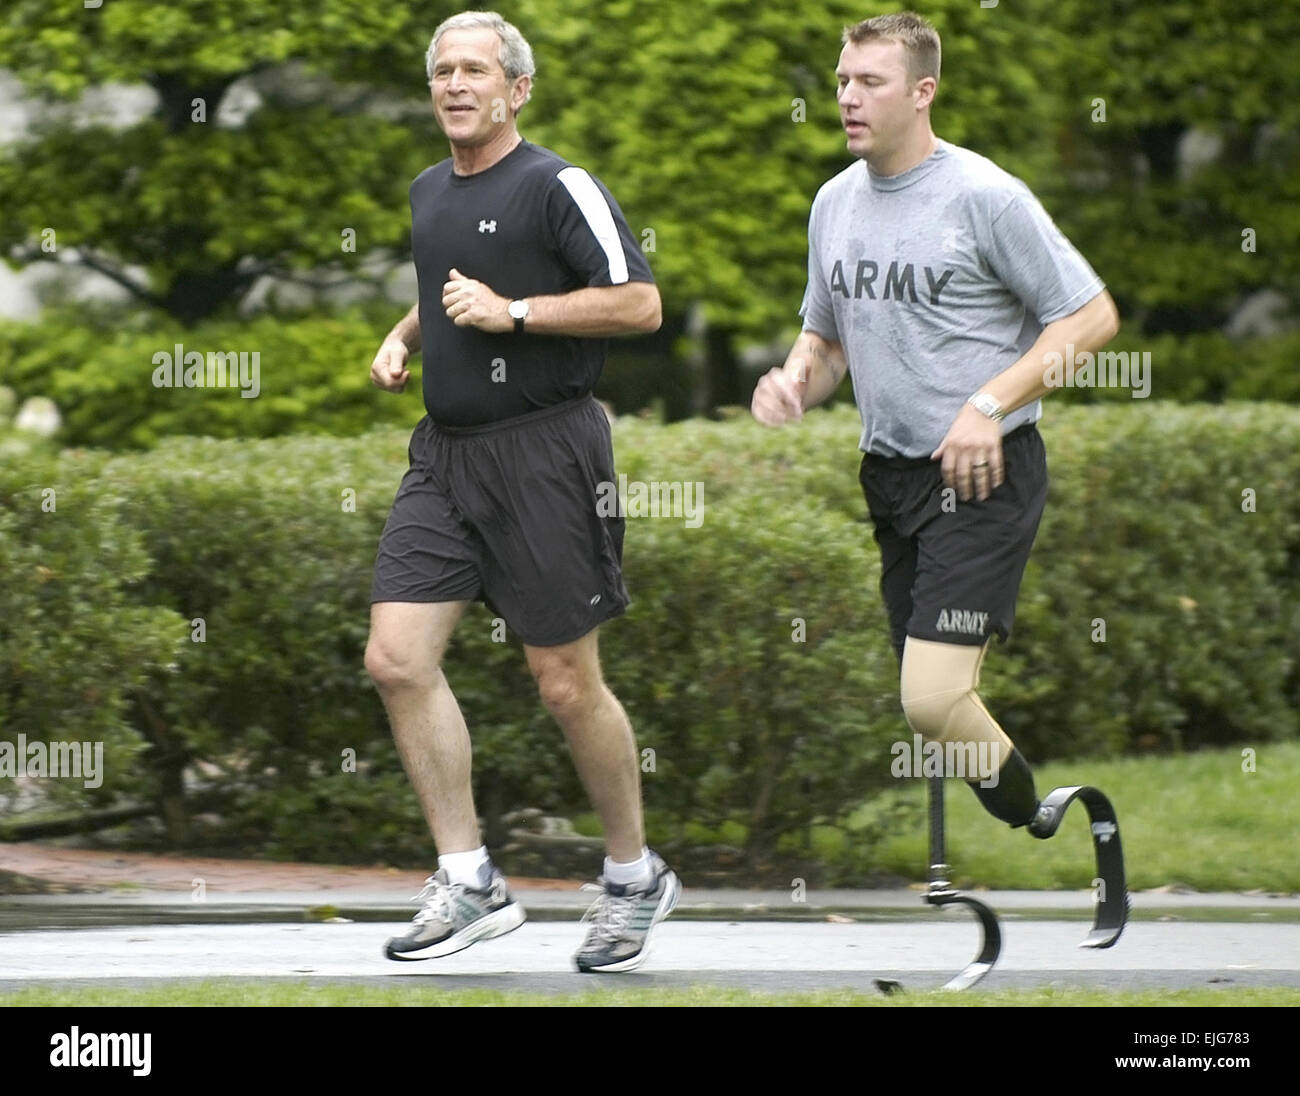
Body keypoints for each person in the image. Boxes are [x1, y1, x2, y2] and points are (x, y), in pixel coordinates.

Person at [751, 12, 1120, 832]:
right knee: (931, 708)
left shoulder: (986, 197)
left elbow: (1091, 320)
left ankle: (1046, 817)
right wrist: (794, 381)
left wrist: (990, 406)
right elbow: (828, 336)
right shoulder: (833, 203)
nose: (847, 97)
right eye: (842, 80)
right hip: (890, 478)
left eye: (869, 82)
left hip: (982, 476)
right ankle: (1037, 815)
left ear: (923, 93)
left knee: (932, 699)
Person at [365, 10, 678, 973]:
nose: (456, 85)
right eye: (442, 71)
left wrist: (518, 315)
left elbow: (638, 302)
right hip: (445, 457)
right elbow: (447, 281)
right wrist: (405, 337)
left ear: (517, 90)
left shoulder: (557, 185)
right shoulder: (429, 190)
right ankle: (469, 882)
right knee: (395, 659)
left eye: (476, 71)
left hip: (546, 453)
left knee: (564, 682)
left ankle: (633, 876)